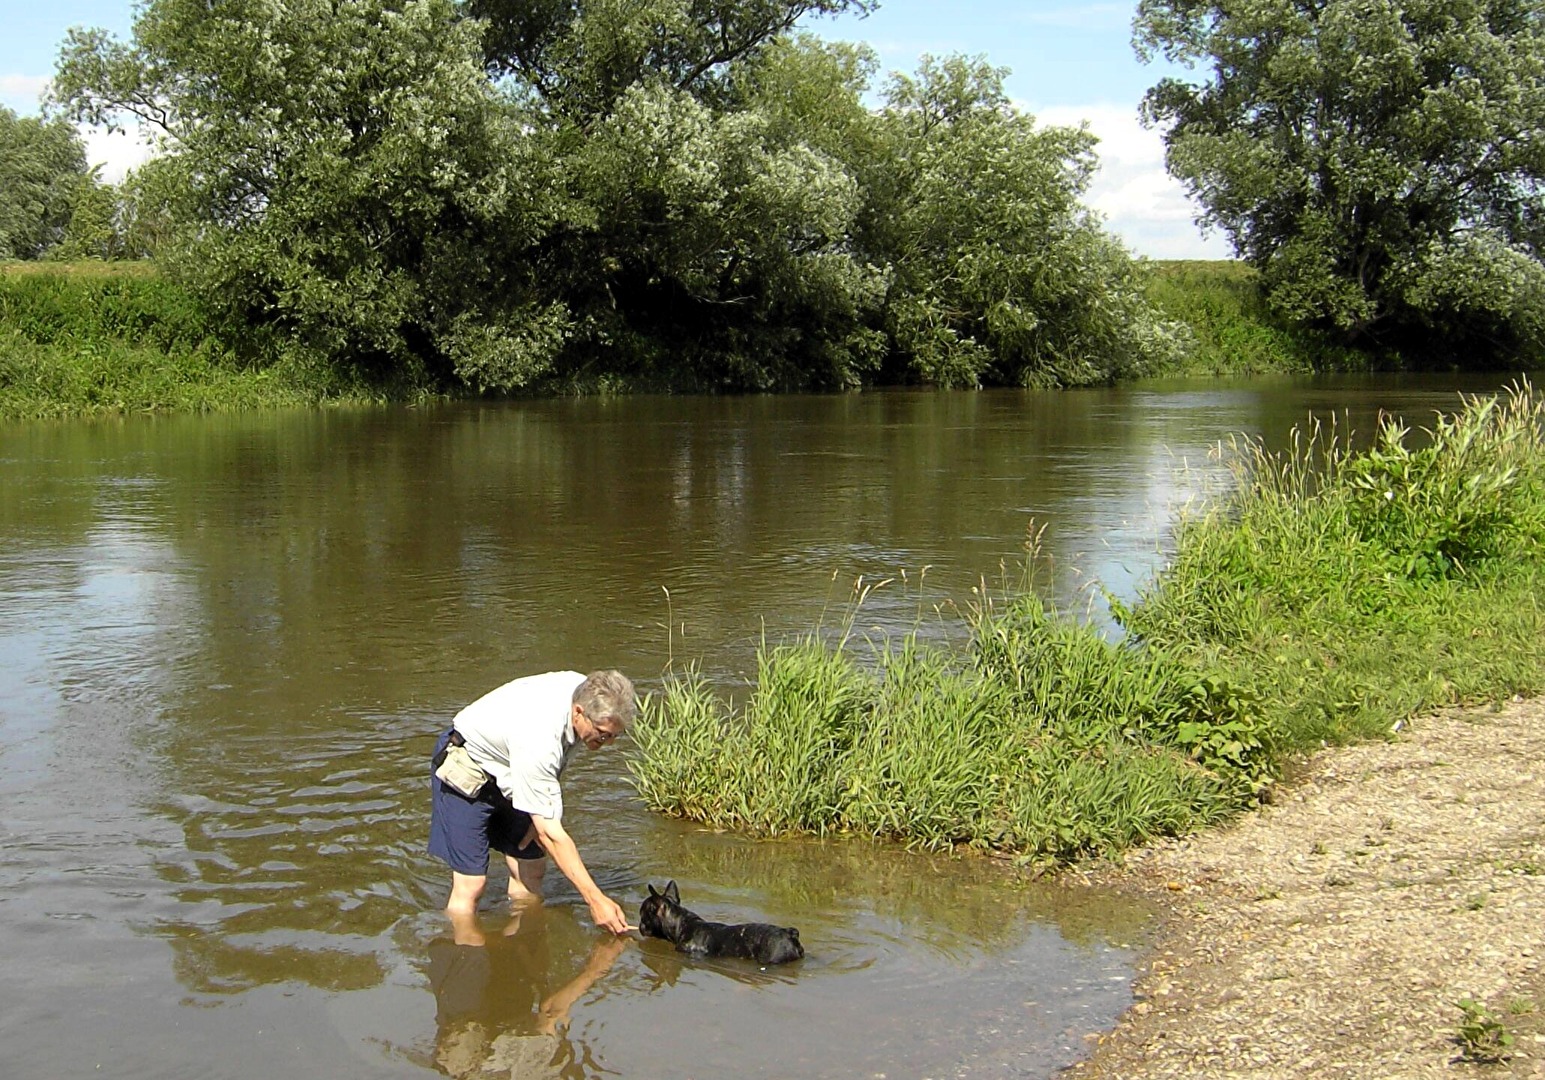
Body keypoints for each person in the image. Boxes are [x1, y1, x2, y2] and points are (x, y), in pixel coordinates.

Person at [429, 669, 636, 934]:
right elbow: (552, 835)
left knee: (533, 868)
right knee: (472, 885)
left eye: (615, 736)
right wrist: (596, 900)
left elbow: (551, 771)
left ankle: (522, 951)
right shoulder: (539, 738)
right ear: (578, 712)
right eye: (603, 734)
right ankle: (463, 955)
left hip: (514, 767)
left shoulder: (585, 688)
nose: (608, 743)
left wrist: (538, 818)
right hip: (467, 768)